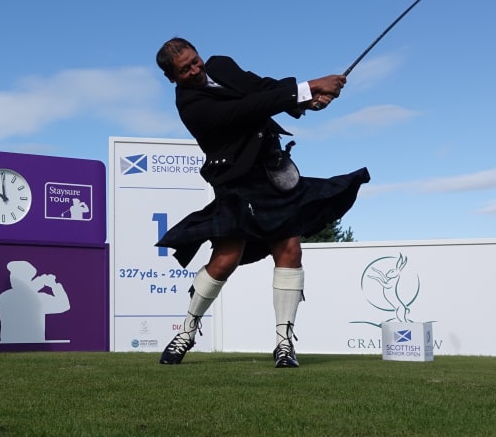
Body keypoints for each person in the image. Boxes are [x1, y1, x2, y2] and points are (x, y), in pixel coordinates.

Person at [154, 37, 370, 368]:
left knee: (290, 249)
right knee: (226, 259)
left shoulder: (222, 64)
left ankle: (284, 343)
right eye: (185, 69)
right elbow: (247, 109)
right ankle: (187, 330)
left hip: (271, 173)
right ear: (173, 77)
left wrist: (307, 101)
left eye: (196, 60)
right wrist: (309, 86)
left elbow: (262, 88)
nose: (196, 70)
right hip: (235, 182)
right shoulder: (190, 106)